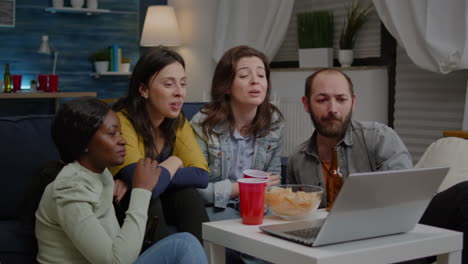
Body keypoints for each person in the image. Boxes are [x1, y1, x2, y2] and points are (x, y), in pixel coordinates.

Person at [35, 97, 208, 264]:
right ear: (84, 143)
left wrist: (126, 182)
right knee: (184, 245)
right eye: (112, 134)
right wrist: (142, 191)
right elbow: (115, 261)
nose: (123, 141)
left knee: (185, 238)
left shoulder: (100, 175)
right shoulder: (69, 188)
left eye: (120, 133)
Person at [109, 47, 210, 245]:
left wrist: (147, 178)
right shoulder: (122, 122)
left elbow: (201, 175)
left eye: (183, 84)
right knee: (145, 198)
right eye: (168, 84)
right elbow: (146, 189)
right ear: (144, 89)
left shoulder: (177, 121)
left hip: (163, 199)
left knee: (187, 194)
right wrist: (174, 161)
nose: (179, 93)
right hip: (124, 204)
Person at [286, 68, 413, 207]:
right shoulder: (297, 159)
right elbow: (294, 215)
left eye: (341, 99)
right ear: (306, 104)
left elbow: (403, 200)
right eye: (322, 100)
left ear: (352, 103)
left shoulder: (380, 138)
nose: (333, 109)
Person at [190, 45, 284, 221]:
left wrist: (261, 200)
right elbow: (197, 192)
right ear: (226, 86)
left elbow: (273, 182)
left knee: (281, 221)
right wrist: (245, 187)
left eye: (261, 75)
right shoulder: (202, 124)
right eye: (244, 75)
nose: (255, 81)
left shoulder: (274, 122)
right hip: (216, 207)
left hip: (257, 205)